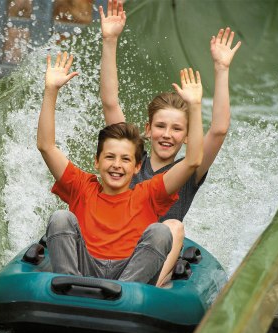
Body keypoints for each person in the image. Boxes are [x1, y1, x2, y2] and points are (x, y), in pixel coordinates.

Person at [98, 0, 241, 284]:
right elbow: (110, 101)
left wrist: (221, 70)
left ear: (187, 137)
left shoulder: (189, 171)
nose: (167, 134)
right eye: (161, 126)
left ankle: (152, 289)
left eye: (177, 129)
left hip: (154, 260)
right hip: (117, 248)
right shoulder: (128, 161)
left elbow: (219, 130)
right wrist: (110, 40)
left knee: (173, 226)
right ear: (148, 130)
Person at [37, 51, 204, 285]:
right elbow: (46, 146)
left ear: (137, 167)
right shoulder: (81, 186)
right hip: (83, 269)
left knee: (161, 231)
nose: (116, 165)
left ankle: (126, 294)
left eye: (125, 160)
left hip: (128, 277)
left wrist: (195, 106)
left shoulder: (148, 193)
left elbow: (193, 161)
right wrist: (51, 90)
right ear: (97, 162)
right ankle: (68, 286)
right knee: (61, 217)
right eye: (109, 157)